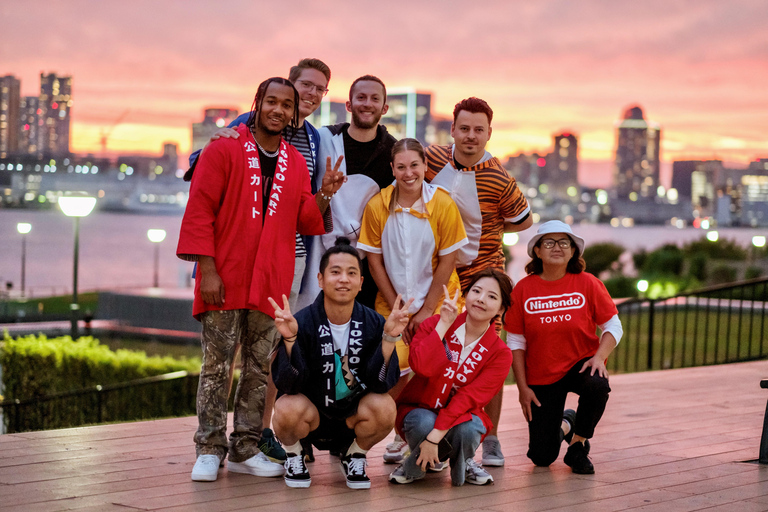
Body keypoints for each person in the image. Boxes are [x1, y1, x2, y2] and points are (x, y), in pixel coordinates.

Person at [178, 77, 344, 483]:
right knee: (217, 365)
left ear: (292, 113)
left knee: (257, 369)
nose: (279, 110)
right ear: (258, 103)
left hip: (269, 281)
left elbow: (304, 218)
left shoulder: (293, 160)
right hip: (226, 275)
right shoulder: (224, 148)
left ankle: (245, 446)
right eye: (272, 101)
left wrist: (324, 193)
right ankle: (209, 447)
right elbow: (200, 211)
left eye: (286, 105)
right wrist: (209, 270)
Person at [424, 96, 533, 467]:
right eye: (464, 128)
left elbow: (525, 219)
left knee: (491, 356)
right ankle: (410, 433)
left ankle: (492, 438)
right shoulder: (432, 158)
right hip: (440, 273)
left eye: (479, 130)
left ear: (489, 133)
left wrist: (494, 226)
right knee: (430, 346)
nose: (471, 136)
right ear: (453, 129)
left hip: (484, 272)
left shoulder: (499, 177)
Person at [270, 238, 409, 489]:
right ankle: (294, 454)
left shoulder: (375, 322)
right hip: (312, 414)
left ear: (360, 283)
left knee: (385, 407)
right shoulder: (302, 321)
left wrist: (389, 339)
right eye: (335, 272)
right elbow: (287, 384)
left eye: (351, 273)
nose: (343, 279)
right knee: (286, 408)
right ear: (321, 279)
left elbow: (382, 385)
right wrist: (290, 338)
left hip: (351, 416)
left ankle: (355, 454)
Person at [504, 220, 623, 474]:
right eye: (548, 242)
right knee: (541, 457)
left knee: (597, 384)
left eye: (564, 242)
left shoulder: (588, 283)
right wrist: (522, 388)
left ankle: (578, 445)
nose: (556, 247)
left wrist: (599, 358)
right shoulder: (524, 289)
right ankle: (567, 423)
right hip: (541, 373)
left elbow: (613, 326)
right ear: (537, 250)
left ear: (572, 251)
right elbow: (515, 341)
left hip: (580, 364)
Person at [388, 269, 514, 486]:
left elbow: (469, 397)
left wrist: (434, 438)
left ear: (501, 309)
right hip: (421, 409)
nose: (481, 299)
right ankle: (426, 458)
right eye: (477, 291)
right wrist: (443, 325)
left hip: (461, 415)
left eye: (492, 296)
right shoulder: (434, 324)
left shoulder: (500, 353)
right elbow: (421, 367)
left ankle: (459, 460)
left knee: (470, 427)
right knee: (422, 422)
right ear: (466, 295)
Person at [297, 74, 397, 312]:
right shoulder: (322, 140)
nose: (367, 104)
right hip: (317, 253)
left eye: (374, 98)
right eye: (361, 97)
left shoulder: (393, 153)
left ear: (384, 107)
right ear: (349, 104)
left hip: (368, 262)